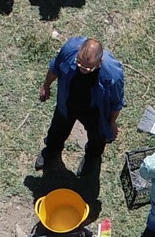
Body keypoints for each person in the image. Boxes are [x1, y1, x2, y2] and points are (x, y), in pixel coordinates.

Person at [34, 35, 125, 176]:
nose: (82, 68)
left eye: (88, 67)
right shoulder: (70, 49)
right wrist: (46, 85)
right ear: (78, 51)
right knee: (57, 129)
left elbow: (116, 103)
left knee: (97, 139)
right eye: (79, 63)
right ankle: (51, 150)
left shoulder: (113, 74)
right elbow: (55, 67)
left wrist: (112, 123)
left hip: (95, 110)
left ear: (100, 61)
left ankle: (92, 158)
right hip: (68, 102)